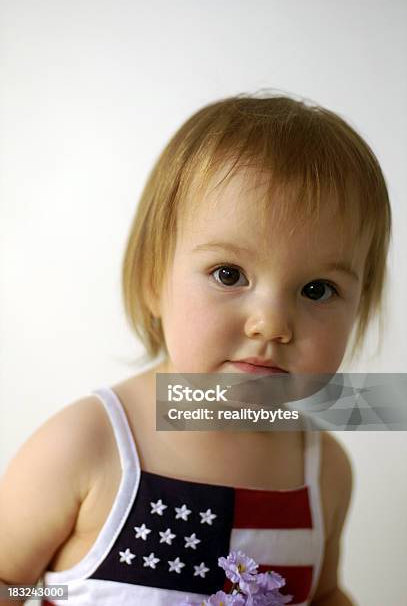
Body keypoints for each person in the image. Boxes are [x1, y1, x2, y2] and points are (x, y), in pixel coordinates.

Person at [0, 93, 391, 606]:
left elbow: (323, 595)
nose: (272, 323)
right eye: (229, 274)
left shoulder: (324, 471)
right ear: (151, 281)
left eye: (317, 289)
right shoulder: (89, 444)